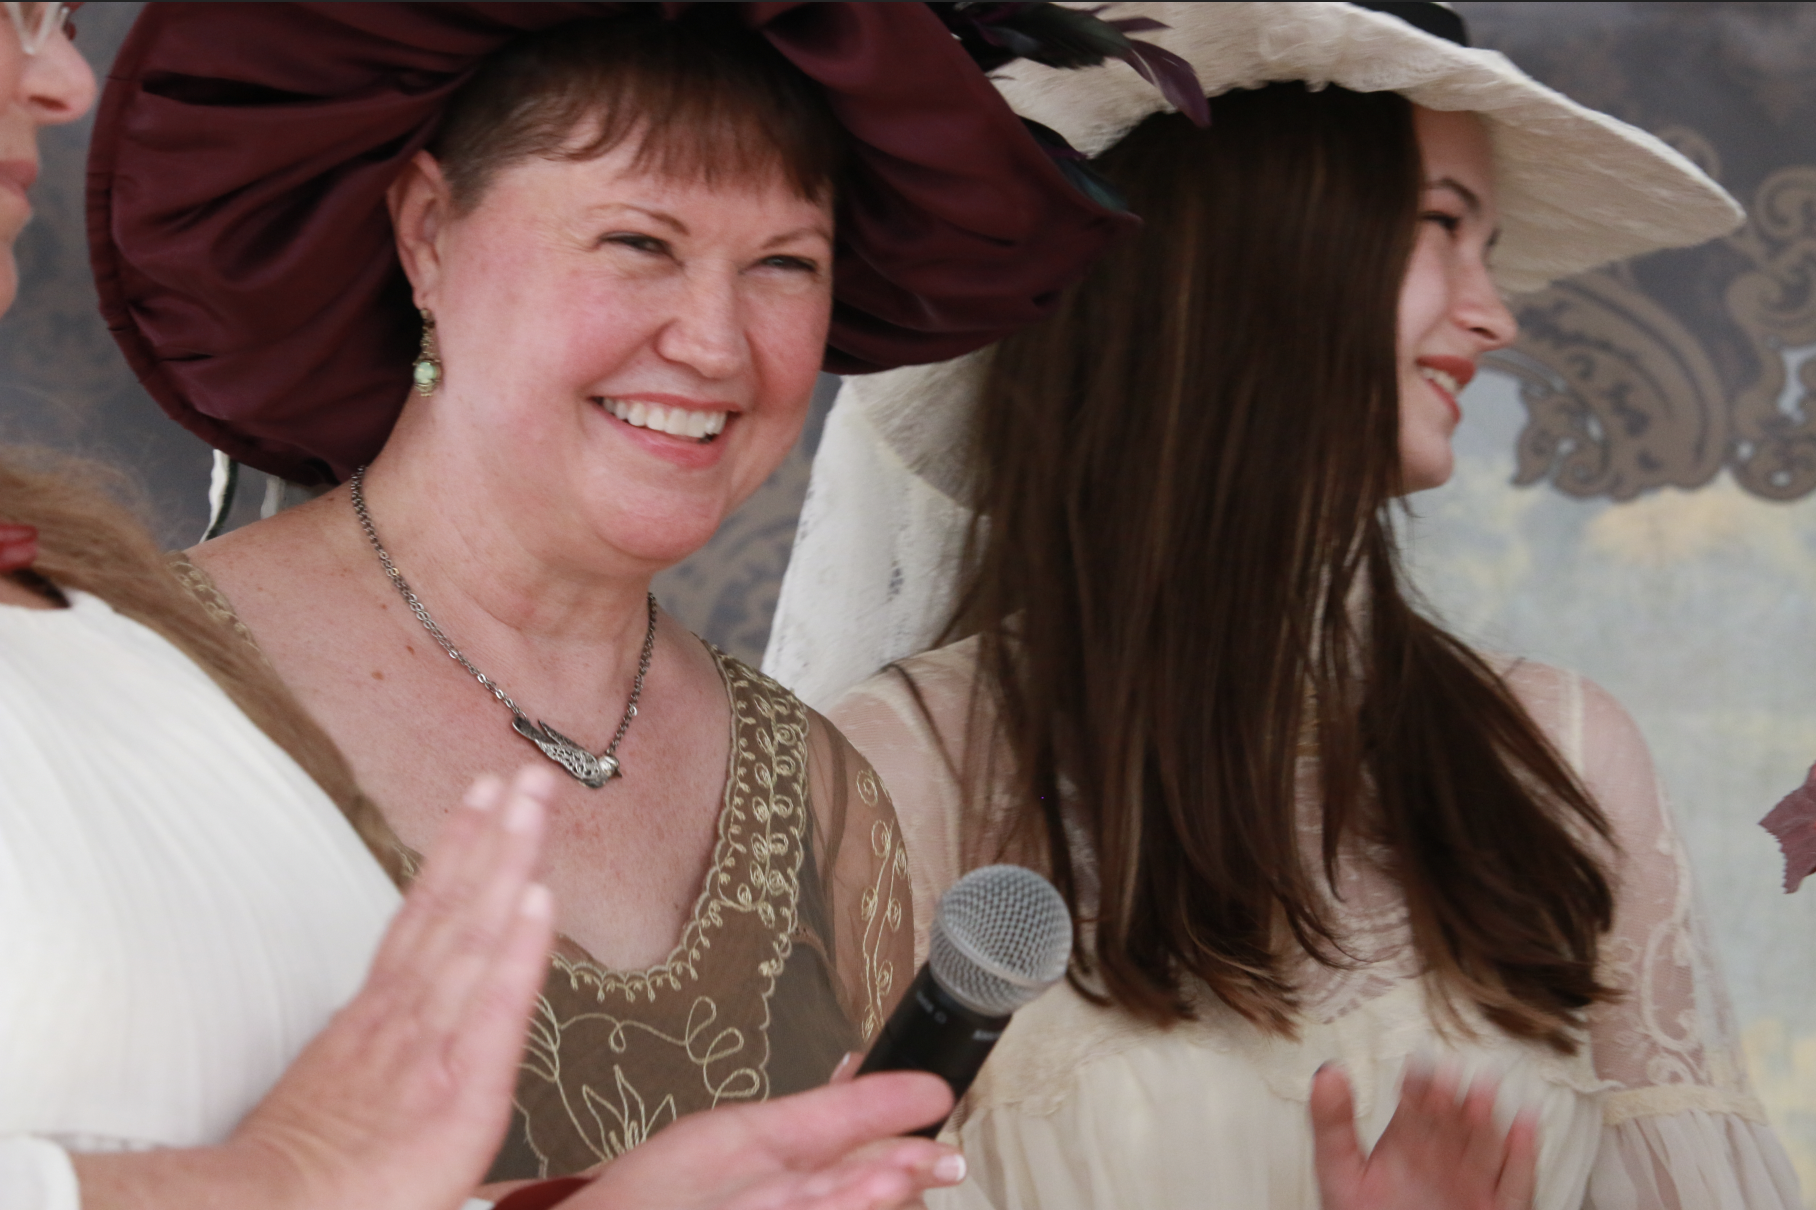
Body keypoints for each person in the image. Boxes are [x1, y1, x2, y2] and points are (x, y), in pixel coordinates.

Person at [83, 0, 1153, 1181]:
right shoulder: (128, 688)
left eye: (784, 264)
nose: (712, 342)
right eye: (639, 243)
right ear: (429, 233)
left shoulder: (817, 791)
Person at [765, 3, 1803, 1208]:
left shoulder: (1560, 761)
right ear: (1255, 250)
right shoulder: (907, 770)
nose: (1495, 314)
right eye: (1442, 229)